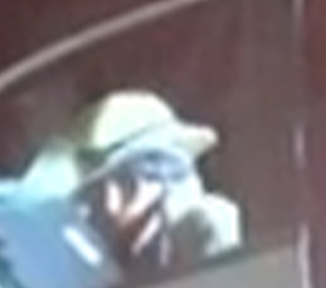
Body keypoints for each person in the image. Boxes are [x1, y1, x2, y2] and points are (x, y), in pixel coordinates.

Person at [33, 89, 242, 277]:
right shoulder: (88, 269)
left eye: (128, 185)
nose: (111, 206)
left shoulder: (206, 227)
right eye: (94, 197)